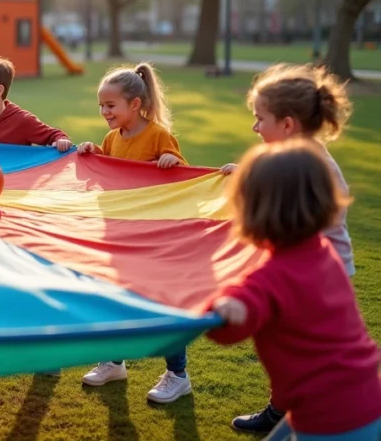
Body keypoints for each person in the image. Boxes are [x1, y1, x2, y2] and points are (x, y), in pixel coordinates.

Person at [208, 139, 381, 440]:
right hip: (366, 393)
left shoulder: (273, 274)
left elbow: (227, 330)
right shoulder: (323, 251)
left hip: (330, 419)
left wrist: (226, 304)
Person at [219, 63, 356, 433]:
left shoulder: (317, 170)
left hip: (322, 277)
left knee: (299, 349)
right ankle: (283, 409)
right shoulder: (297, 160)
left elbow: (309, 229)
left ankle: (285, 410)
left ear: (288, 125)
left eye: (259, 118)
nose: (254, 127)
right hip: (311, 270)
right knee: (291, 346)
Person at [75, 63, 192, 403]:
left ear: (135, 104)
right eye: (101, 106)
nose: (104, 112)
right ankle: (114, 361)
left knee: (162, 302)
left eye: (110, 106)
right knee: (116, 298)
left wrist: (171, 160)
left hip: (153, 239)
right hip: (119, 234)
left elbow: (183, 179)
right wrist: (95, 155)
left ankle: (177, 374)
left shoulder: (157, 135)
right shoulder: (112, 138)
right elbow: (111, 175)